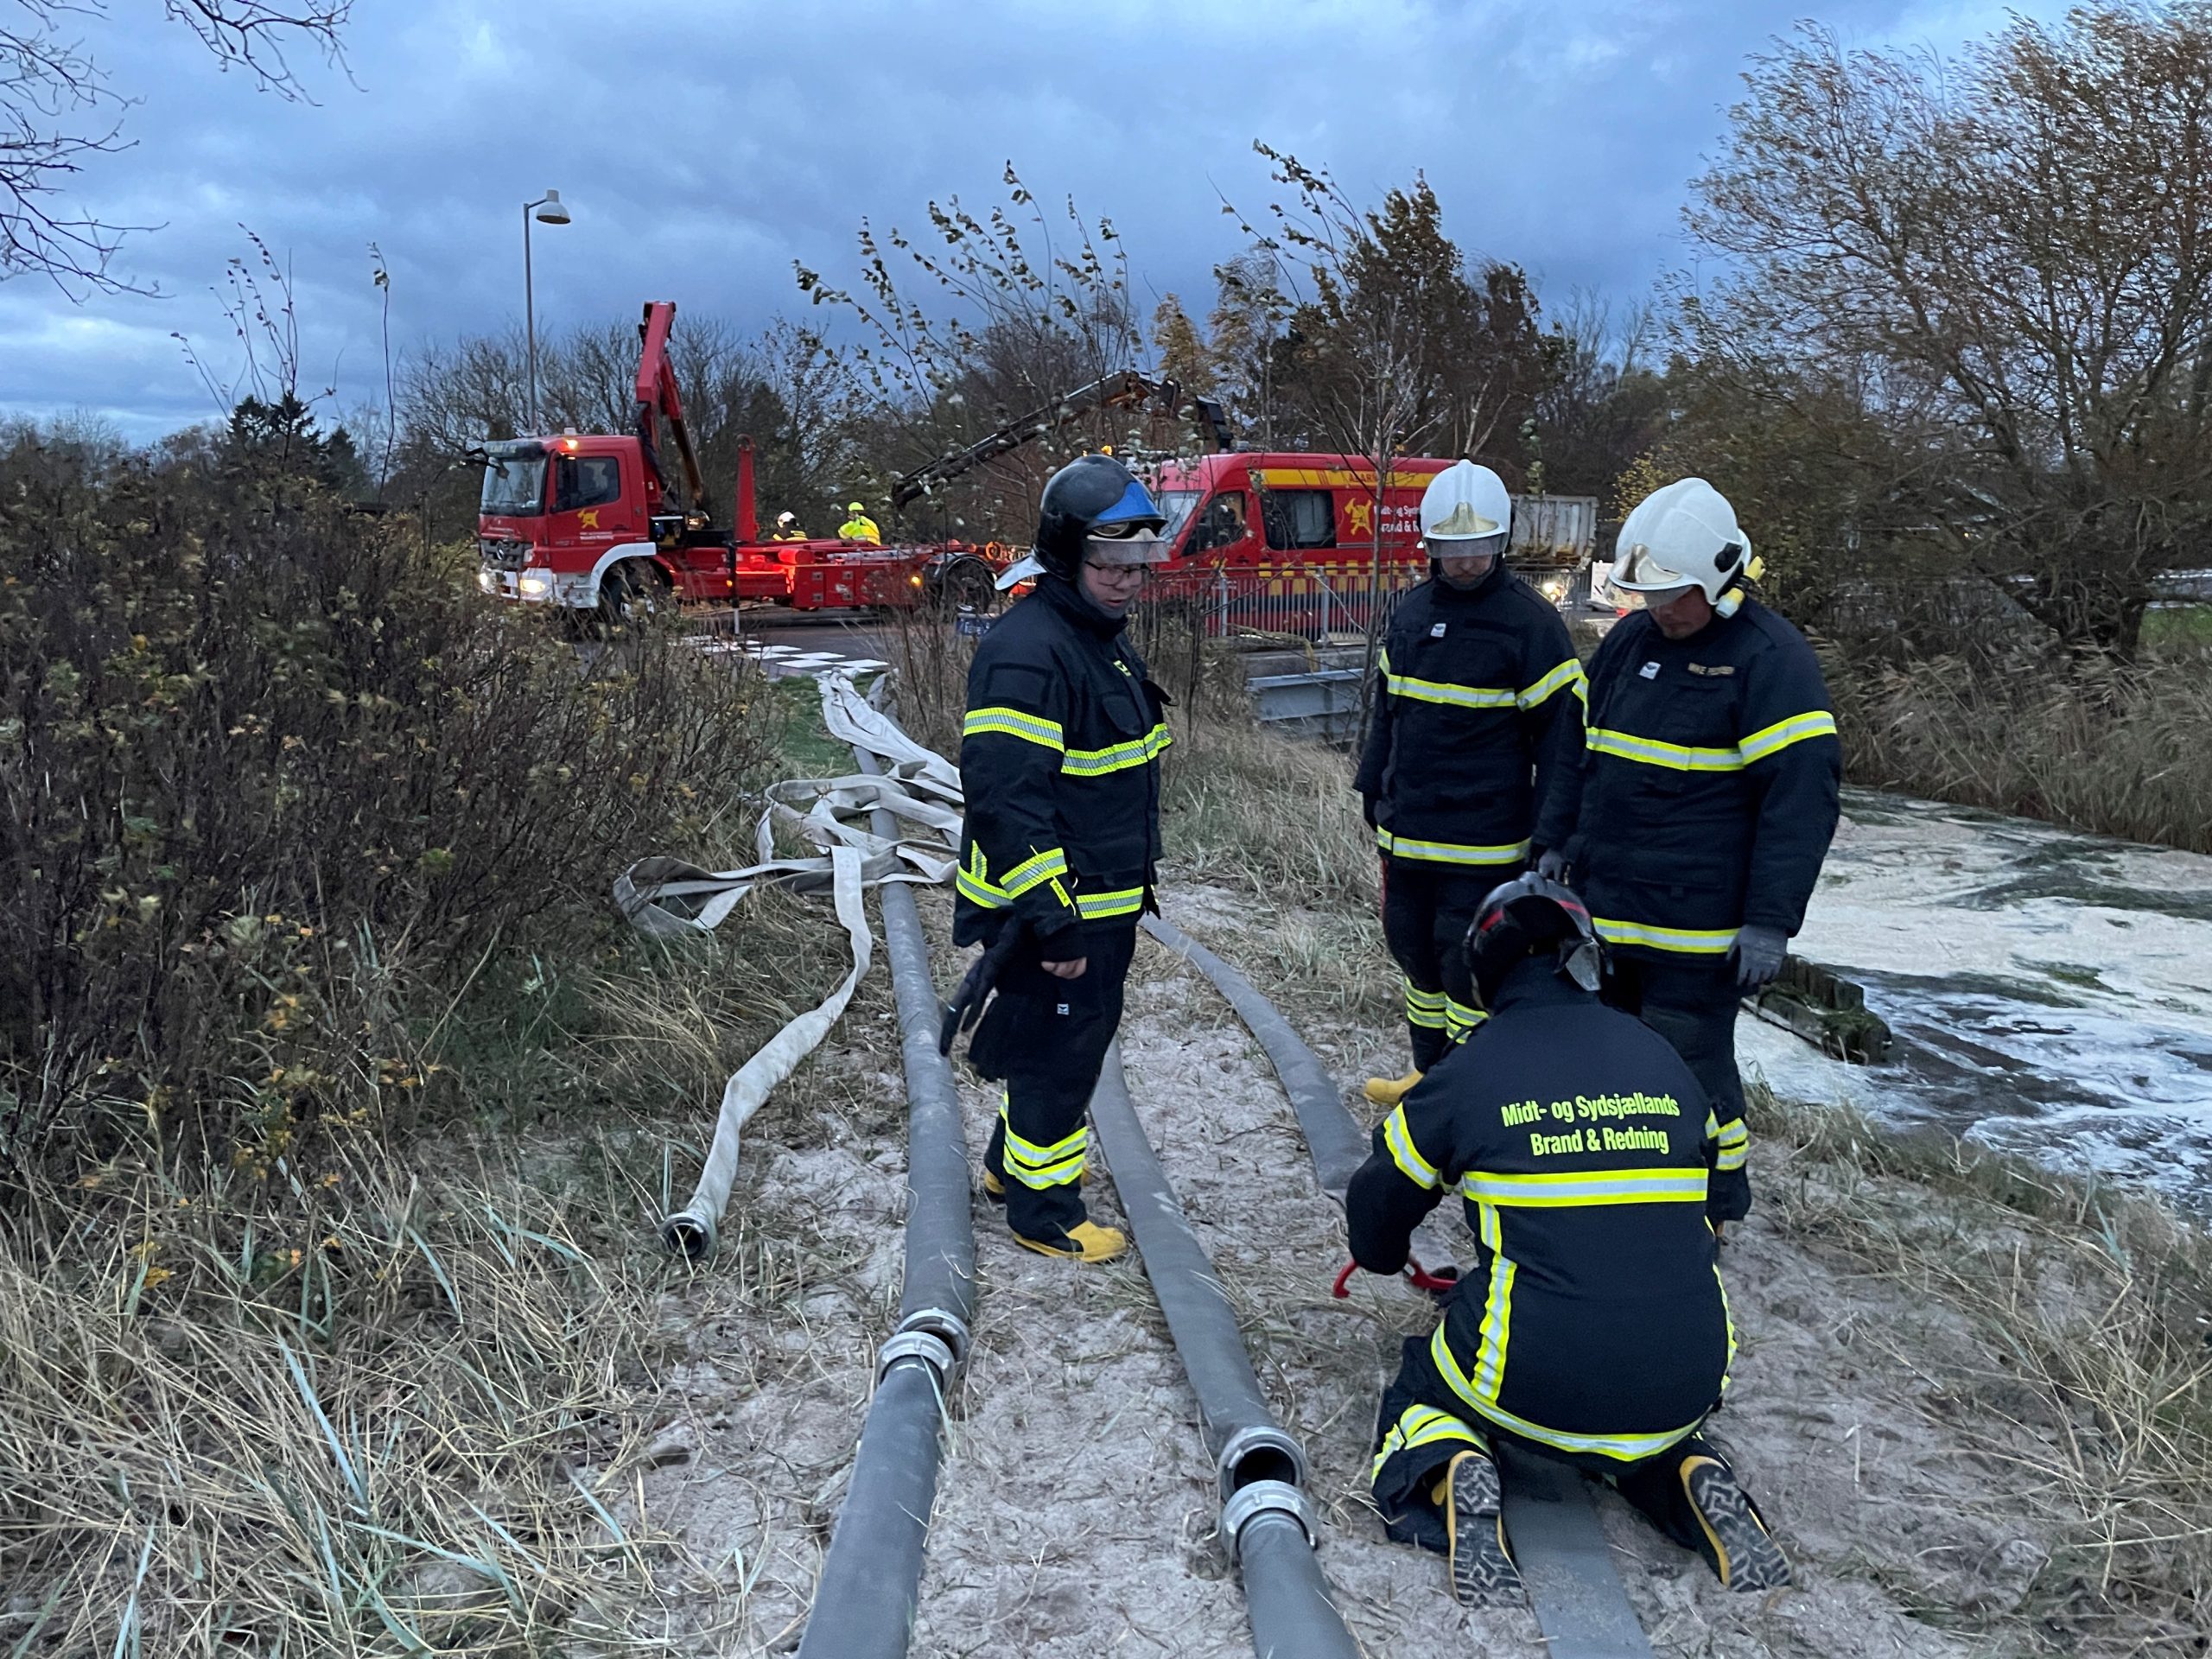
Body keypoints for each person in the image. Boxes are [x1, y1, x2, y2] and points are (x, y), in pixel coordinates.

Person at [1346, 873, 1788, 1605]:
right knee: (1642, 1436)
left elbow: (1375, 1203)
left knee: (1422, 1385)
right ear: (1590, 965)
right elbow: (1711, 1197)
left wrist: (1386, 1257)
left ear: (1483, 973)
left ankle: (1447, 1462)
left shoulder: (1470, 1071)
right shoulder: (1666, 1063)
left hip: (1529, 1377)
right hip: (1693, 1373)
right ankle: (1687, 1472)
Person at [1534, 478, 1840, 1228]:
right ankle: (1633, 1189)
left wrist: (1770, 922)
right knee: (1614, 1063)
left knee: (1690, 1068)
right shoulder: (1632, 641)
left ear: (1720, 575)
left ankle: (1714, 1203)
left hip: (1698, 927)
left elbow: (1801, 805)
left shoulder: (1772, 662)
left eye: (1674, 596)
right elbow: (1583, 754)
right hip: (1611, 911)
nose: (1660, 609)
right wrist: (1554, 842)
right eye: (1648, 595)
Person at [940, 454, 1175, 1262]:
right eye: (1110, 563)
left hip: (1098, 899)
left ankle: (1014, 1167)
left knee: (1062, 1040)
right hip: (1056, 908)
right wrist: (1054, 923)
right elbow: (1008, 804)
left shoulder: (1094, 639)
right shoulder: (1029, 653)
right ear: (1067, 555)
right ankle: (1044, 1213)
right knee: (1060, 1055)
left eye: (1138, 564)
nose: (1128, 580)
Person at [1353, 460, 1585, 1109]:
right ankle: (1429, 1078)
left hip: (1484, 843)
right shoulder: (1411, 613)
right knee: (1415, 958)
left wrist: (1551, 836)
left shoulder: (1531, 626)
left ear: (1501, 541)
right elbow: (1388, 712)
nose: (1465, 562)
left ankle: (1468, 1093)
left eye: (1479, 547)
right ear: (1430, 547)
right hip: (1409, 834)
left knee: (1465, 969)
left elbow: (1562, 744)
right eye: (1452, 549)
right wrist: (1371, 788)